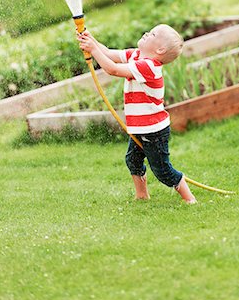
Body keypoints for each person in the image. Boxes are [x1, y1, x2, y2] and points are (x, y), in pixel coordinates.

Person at [78, 24, 197, 204]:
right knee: (132, 160)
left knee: (162, 171)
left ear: (160, 49)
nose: (147, 33)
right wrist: (90, 38)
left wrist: (92, 49)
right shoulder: (136, 55)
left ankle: (189, 198)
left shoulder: (149, 67)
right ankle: (142, 195)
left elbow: (113, 69)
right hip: (139, 127)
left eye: (152, 34)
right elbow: (109, 53)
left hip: (154, 130)